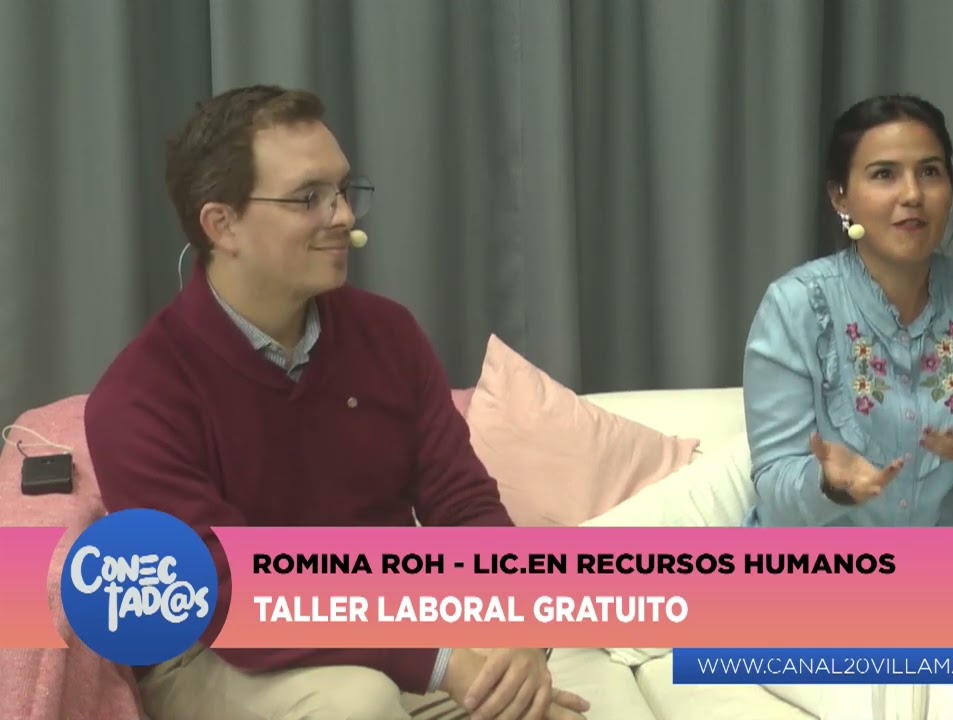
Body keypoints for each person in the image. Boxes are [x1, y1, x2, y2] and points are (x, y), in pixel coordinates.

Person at [83, 85, 591, 720]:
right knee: (358, 703)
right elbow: (227, 595)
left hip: (392, 623)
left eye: (344, 190)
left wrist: (516, 627)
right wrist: (440, 660)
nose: (345, 216)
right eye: (309, 198)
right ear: (222, 225)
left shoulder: (388, 334)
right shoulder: (138, 400)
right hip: (221, 649)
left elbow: (463, 506)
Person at [740, 94, 953, 719]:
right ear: (841, 196)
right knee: (884, 702)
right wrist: (831, 486)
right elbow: (775, 482)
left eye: (929, 172)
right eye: (884, 174)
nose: (912, 194)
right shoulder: (795, 306)